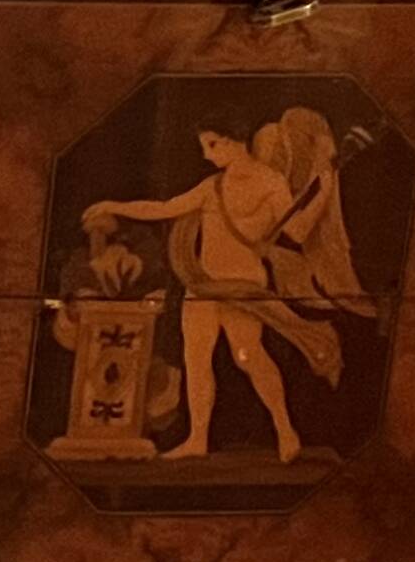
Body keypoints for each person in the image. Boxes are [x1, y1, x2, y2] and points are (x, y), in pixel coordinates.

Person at [79, 108, 374, 465]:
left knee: (247, 356)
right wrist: (115, 205)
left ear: (235, 142)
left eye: (212, 144)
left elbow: (296, 231)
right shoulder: (213, 186)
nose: (206, 154)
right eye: (204, 146)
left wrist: (325, 188)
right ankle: (198, 438)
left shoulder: (271, 183)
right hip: (202, 285)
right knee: (196, 360)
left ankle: (285, 430)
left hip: (243, 286)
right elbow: (164, 208)